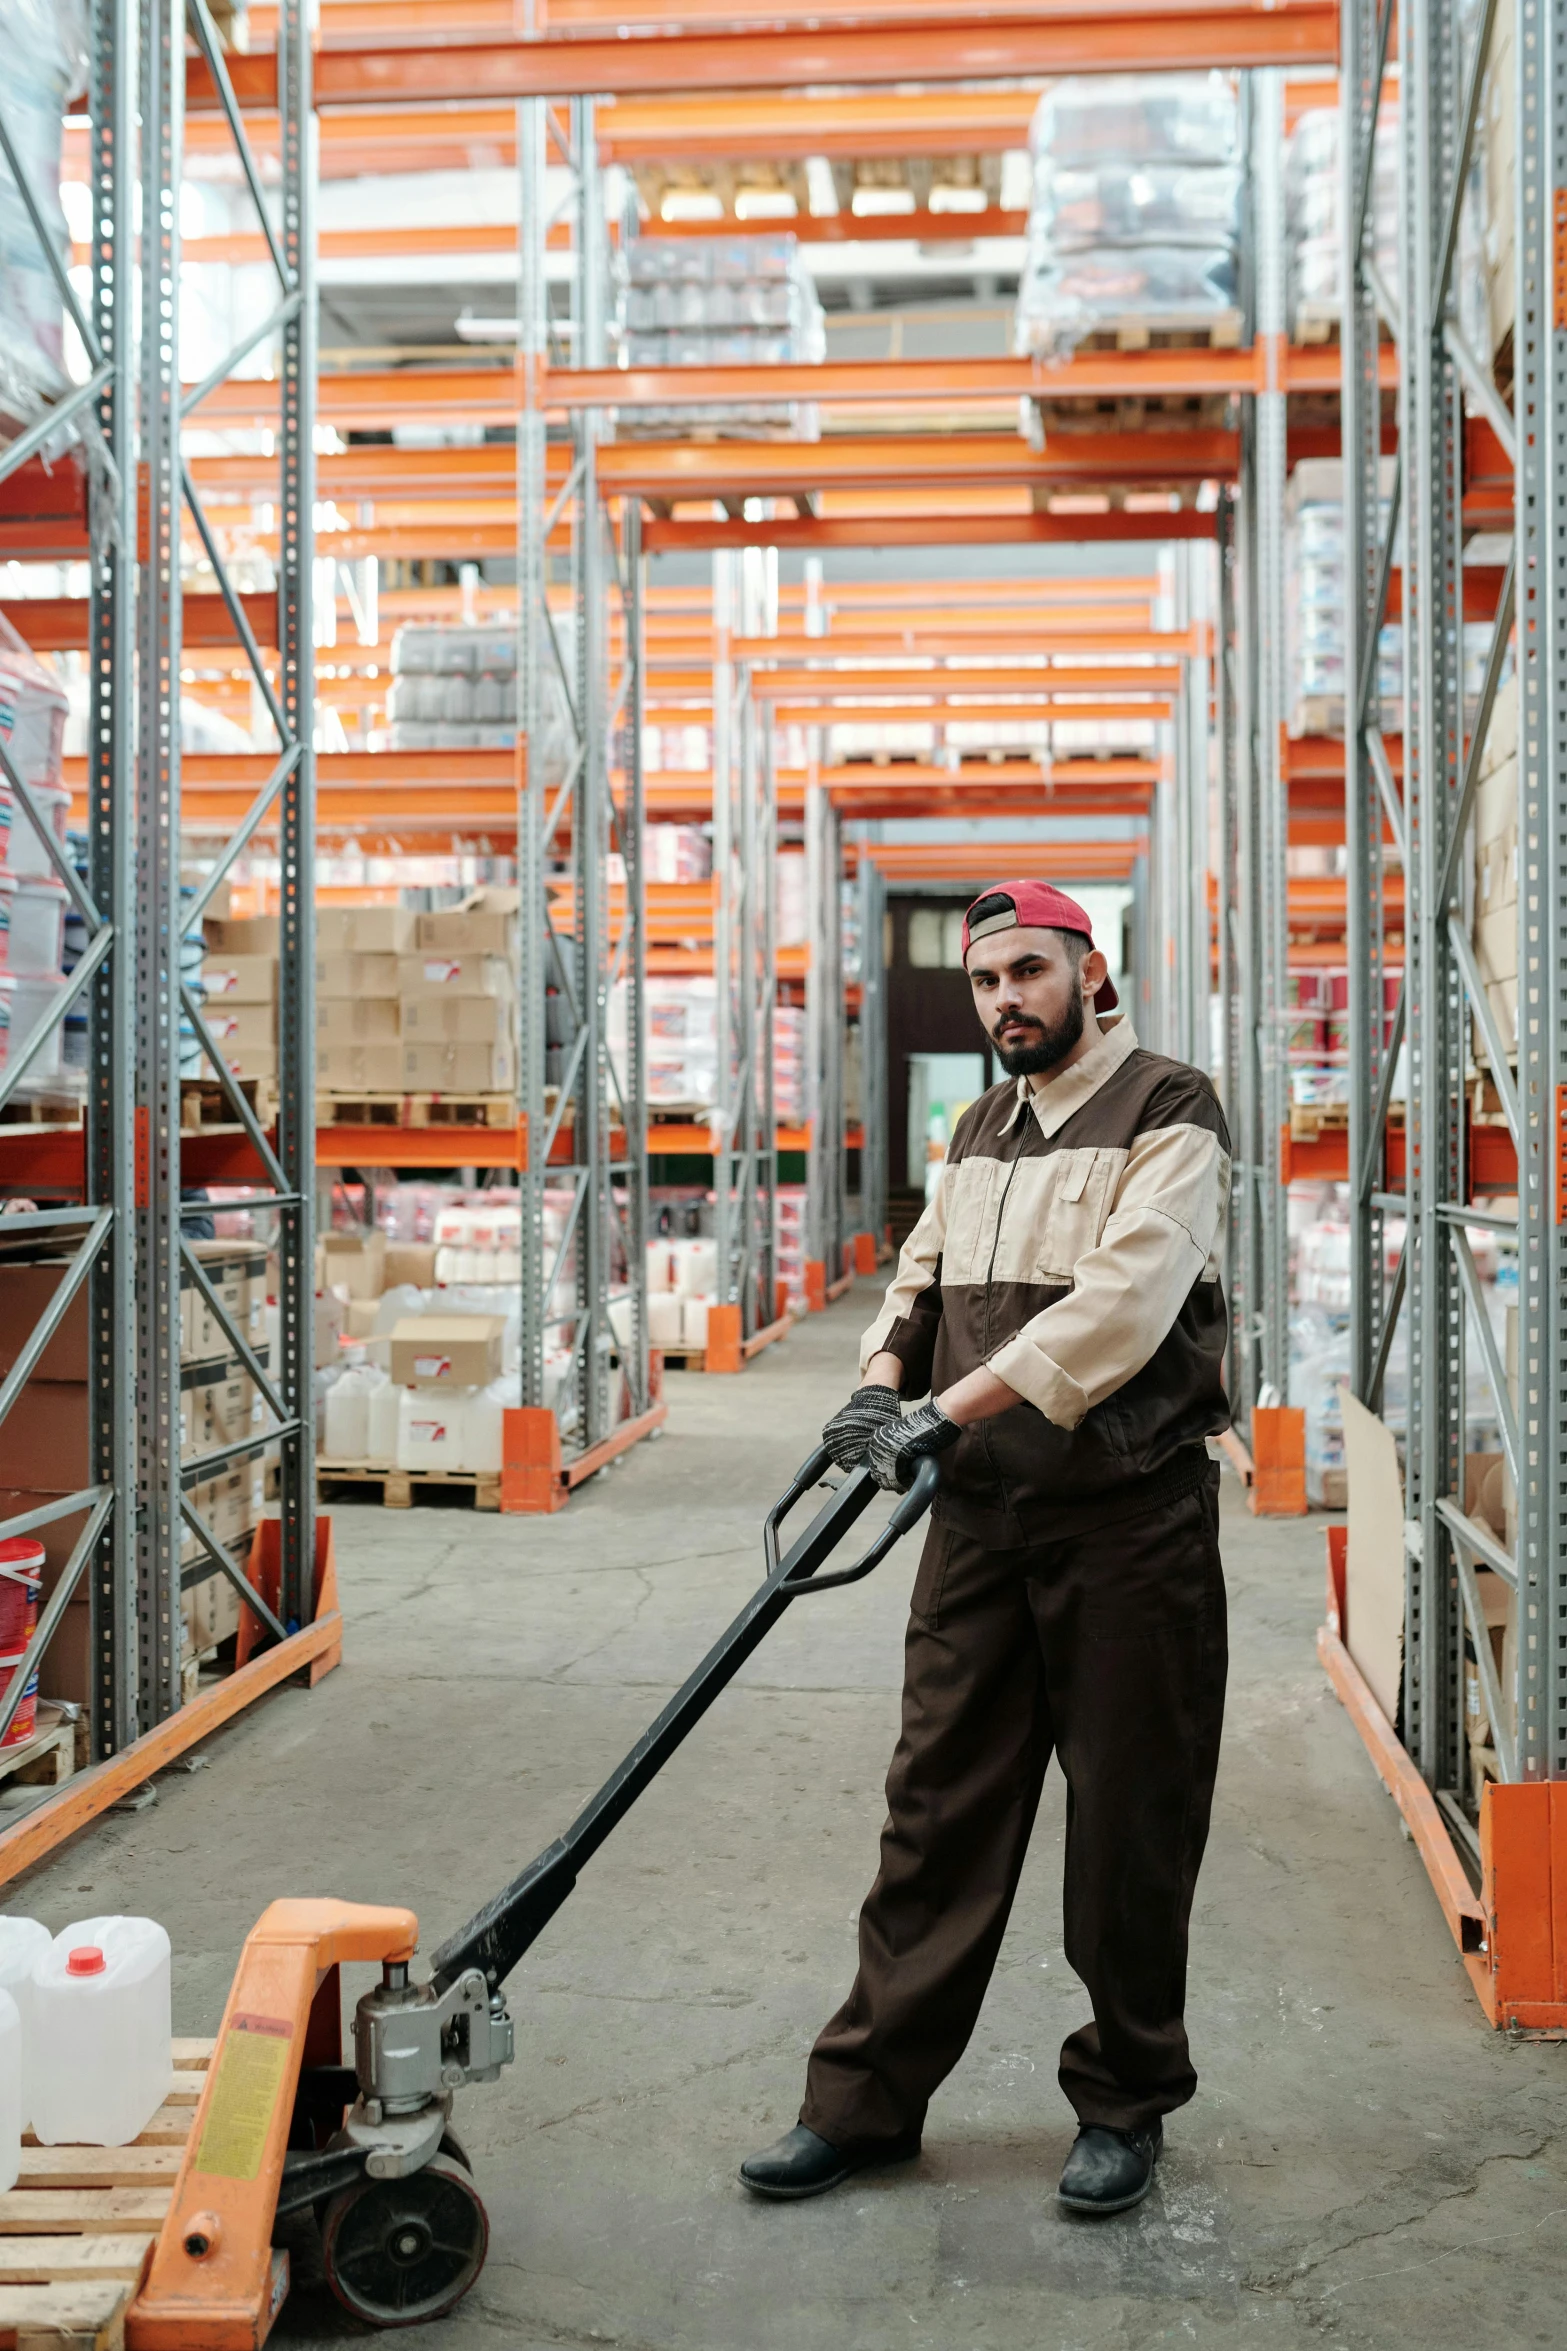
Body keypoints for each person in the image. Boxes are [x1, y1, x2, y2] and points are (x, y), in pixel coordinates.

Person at [741, 881, 1232, 2218]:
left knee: (1127, 1825)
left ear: (1088, 970)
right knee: (933, 1813)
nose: (1005, 999)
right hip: (974, 1524)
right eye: (984, 982)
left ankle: (1124, 2100)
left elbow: (1121, 1307)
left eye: (1028, 971)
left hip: (1127, 1523)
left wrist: (936, 1412)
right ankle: (861, 2105)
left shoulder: (1170, 1108)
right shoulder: (976, 1125)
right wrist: (876, 1378)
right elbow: (921, 1271)